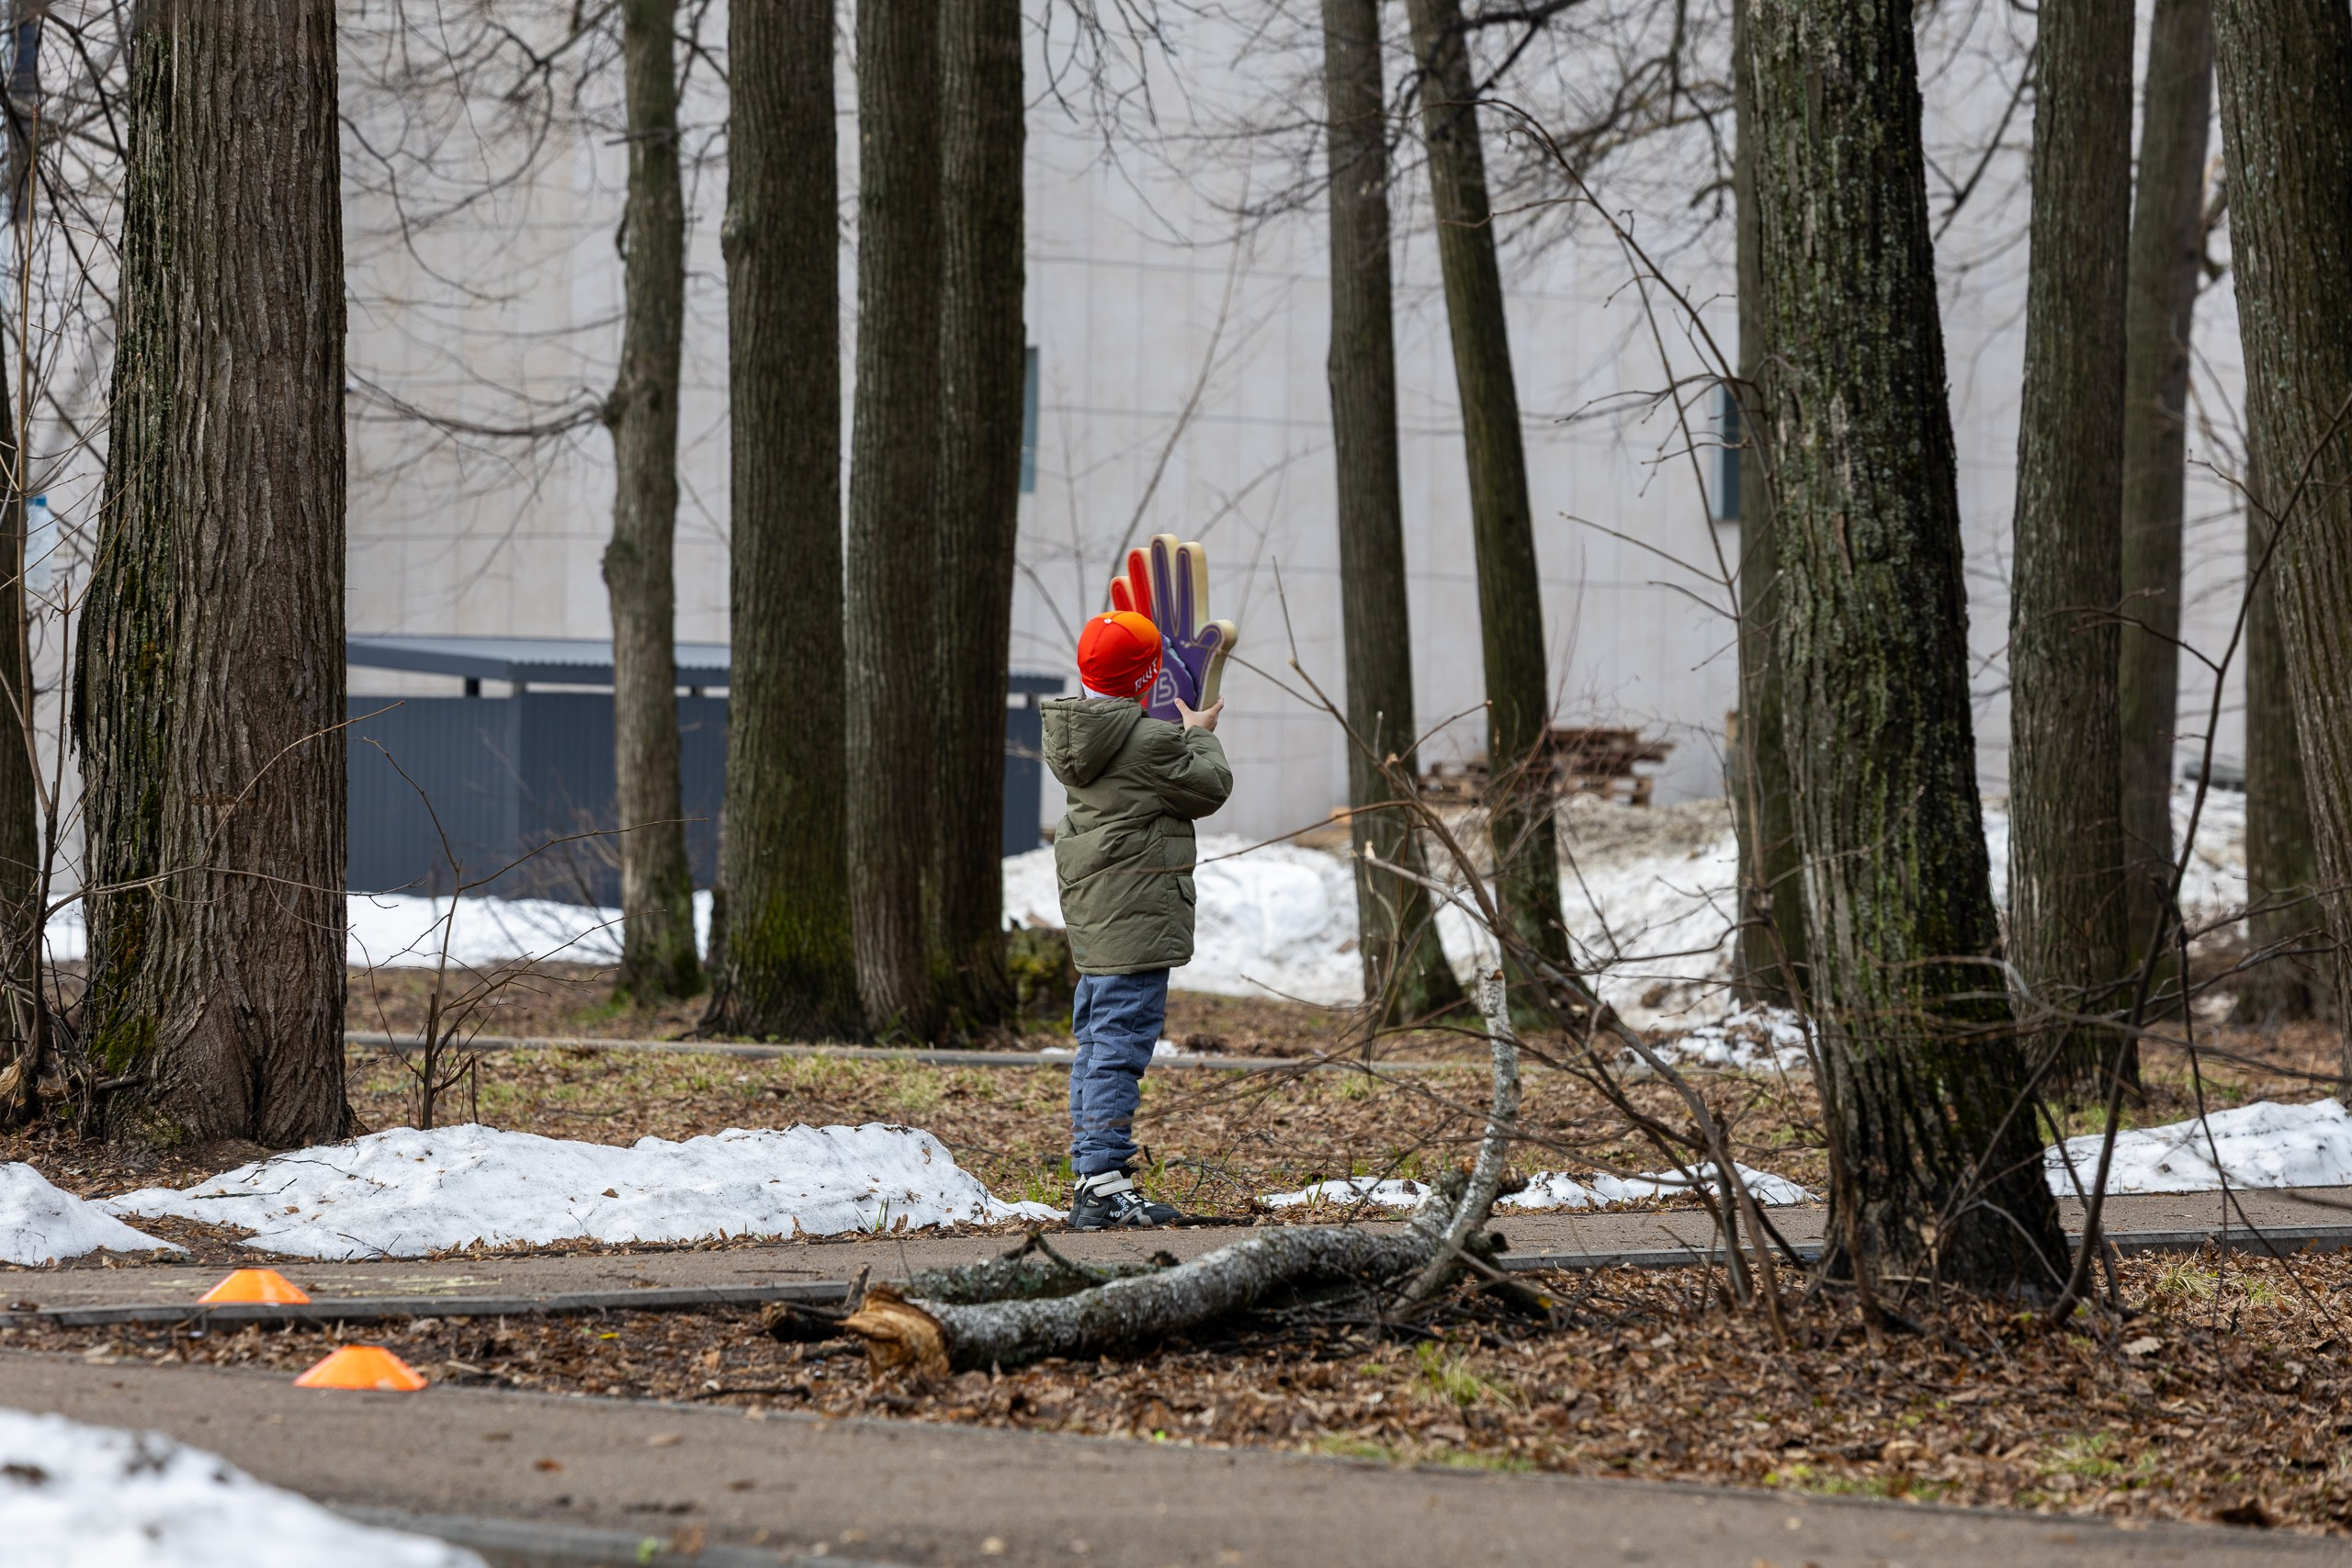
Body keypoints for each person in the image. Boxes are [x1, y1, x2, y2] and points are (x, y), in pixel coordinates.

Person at [1041, 608, 1231, 1229]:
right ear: (1149, 676)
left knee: (1097, 1045)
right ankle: (1102, 1184)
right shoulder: (1148, 741)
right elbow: (1210, 786)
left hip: (1099, 920)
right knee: (1118, 1049)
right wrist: (1199, 731)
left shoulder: (1075, 736)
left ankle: (1094, 1176)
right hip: (1136, 921)